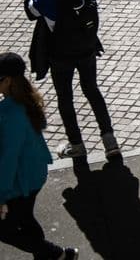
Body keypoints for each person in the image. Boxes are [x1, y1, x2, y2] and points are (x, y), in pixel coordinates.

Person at [27, 0, 121, 159]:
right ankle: (110, 140)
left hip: (61, 55)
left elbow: (32, 10)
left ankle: (76, 144)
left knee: (65, 97)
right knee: (92, 90)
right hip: (87, 48)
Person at [0, 52, 79, 259]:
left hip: (22, 181)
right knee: (25, 219)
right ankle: (56, 256)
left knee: (6, 228)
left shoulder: (10, 113)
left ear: (7, 81)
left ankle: (57, 254)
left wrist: (1, 195)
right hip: (33, 174)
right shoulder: (23, 100)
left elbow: (9, 158)